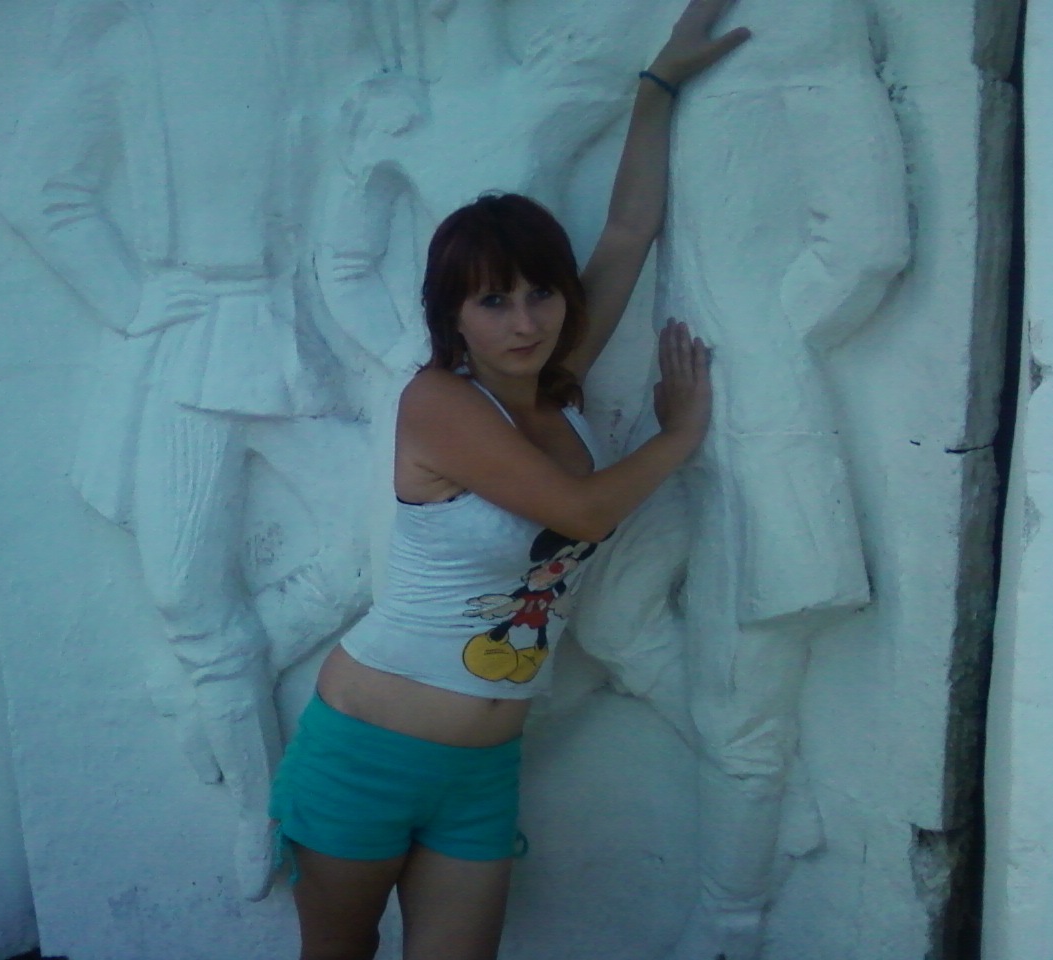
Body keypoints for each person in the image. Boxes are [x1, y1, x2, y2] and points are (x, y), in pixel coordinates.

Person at [269, 2, 749, 957]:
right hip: (366, 748)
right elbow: (580, 510)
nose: (525, 321)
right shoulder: (438, 404)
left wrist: (658, 85)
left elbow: (628, 230)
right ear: (454, 317)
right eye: (493, 301)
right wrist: (677, 436)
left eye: (541, 293)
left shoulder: (558, 382)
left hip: (483, 769)